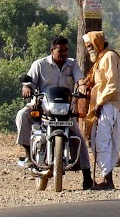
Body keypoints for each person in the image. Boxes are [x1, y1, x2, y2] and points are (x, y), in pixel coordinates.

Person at [15, 35, 93, 190]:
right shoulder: (40, 64)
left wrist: (82, 86)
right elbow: (28, 82)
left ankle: (87, 175)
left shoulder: (72, 64)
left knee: (77, 137)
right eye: (60, 50)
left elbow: (80, 79)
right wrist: (26, 88)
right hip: (43, 105)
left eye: (65, 50)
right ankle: (28, 155)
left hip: (64, 108)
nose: (63, 53)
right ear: (52, 50)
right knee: (22, 115)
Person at [82, 31, 120, 190]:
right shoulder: (102, 58)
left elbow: (112, 84)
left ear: (97, 43)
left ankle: (107, 180)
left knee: (102, 141)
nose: (88, 49)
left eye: (90, 45)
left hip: (109, 104)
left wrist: (99, 104)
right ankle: (107, 178)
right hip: (108, 105)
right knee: (105, 142)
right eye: (87, 46)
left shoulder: (108, 57)